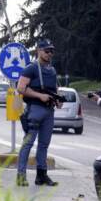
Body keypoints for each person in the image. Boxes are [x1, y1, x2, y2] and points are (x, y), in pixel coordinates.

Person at [16, 39, 62, 187]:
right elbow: (21, 88)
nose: (49, 54)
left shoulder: (52, 70)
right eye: (46, 51)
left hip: (49, 111)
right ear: (39, 51)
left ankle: (41, 176)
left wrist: (58, 100)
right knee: (28, 143)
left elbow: (55, 89)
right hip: (34, 110)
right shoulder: (31, 68)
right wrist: (39, 96)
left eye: (51, 51)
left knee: (44, 145)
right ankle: (21, 176)